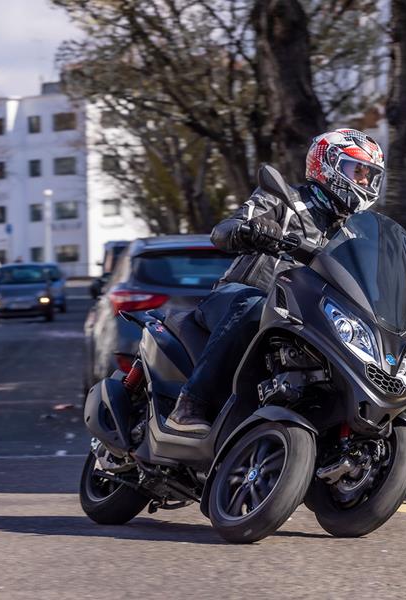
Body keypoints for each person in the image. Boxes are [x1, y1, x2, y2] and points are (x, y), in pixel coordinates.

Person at [165, 128, 386, 434]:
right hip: (245, 294)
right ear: (328, 164)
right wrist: (247, 229)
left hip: (305, 316)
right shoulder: (286, 199)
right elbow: (223, 231)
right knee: (254, 306)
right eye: (357, 170)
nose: (363, 181)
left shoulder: (353, 234)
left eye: (369, 175)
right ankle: (191, 403)